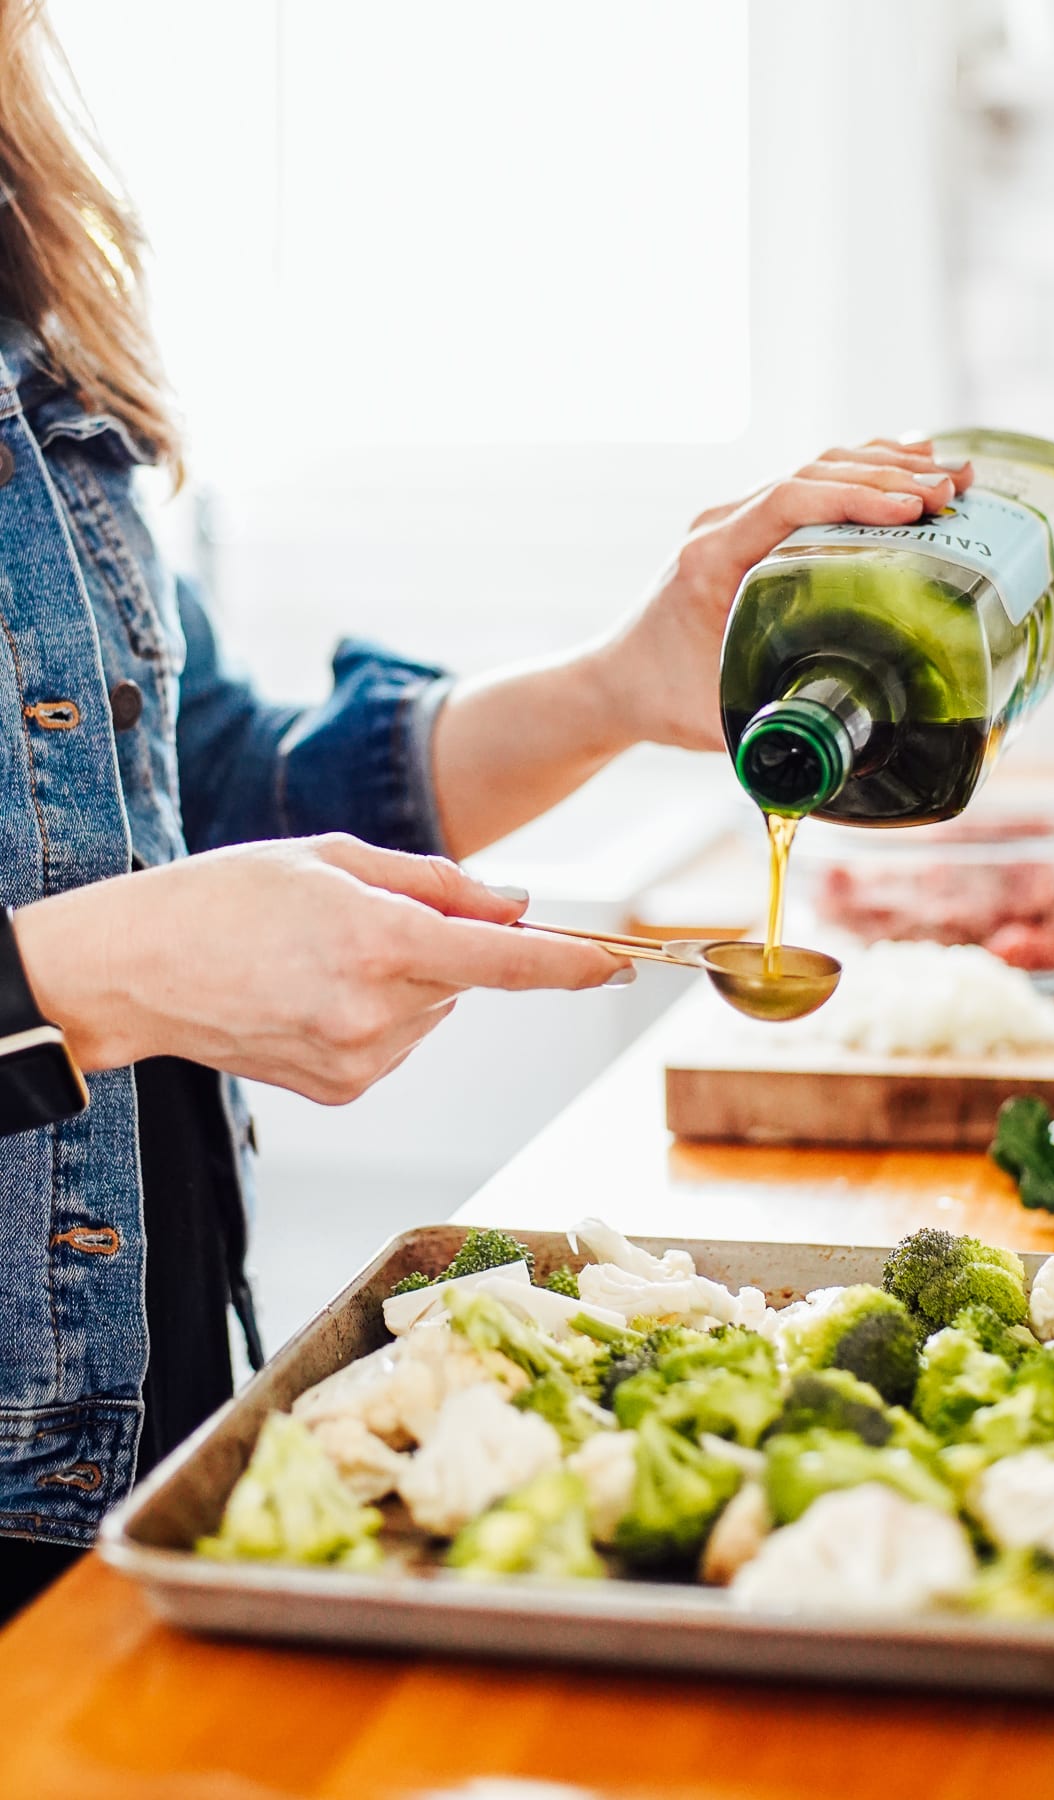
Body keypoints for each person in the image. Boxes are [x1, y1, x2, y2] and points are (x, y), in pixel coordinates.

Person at [0, 1, 972, 1619]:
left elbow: (196, 782)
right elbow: (118, 915)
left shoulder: (25, 255)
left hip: (121, 1451)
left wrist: (617, 689)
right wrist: (93, 985)